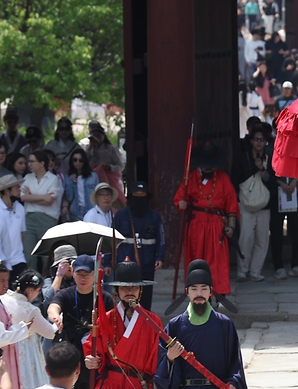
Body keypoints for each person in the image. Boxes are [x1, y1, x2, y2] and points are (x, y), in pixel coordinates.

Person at [46, 255, 114, 389]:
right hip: (72, 356)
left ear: (94, 275)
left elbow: (113, 325)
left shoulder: (104, 298)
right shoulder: (66, 293)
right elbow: (53, 307)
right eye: (79, 274)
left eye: (87, 274)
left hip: (95, 359)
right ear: (73, 273)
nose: (83, 278)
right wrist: (56, 317)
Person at [174, 142, 240, 296]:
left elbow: (231, 205)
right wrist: (181, 204)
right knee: (197, 261)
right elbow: (179, 199)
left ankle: (220, 295)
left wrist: (231, 226)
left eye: (211, 165)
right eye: (205, 166)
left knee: (218, 262)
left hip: (216, 226)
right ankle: (199, 295)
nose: (208, 168)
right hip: (196, 226)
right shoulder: (190, 178)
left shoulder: (223, 179)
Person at [113, 182, 166, 309]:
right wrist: (107, 262)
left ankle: (144, 321)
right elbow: (111, 239)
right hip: (125, 266)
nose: (139, 198)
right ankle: (127, 321)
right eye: (136, 195)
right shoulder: (120, 216)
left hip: (147, 264)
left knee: (145, 297)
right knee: (127, 296)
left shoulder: (154, 216)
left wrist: (160, 257)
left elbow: (161, 238)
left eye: (142, 195)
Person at [2, 270, 54, 389]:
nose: (38, 294)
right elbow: (50, 333)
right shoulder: (30, 309)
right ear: (31, 290)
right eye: (38, 290)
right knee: (29, 384)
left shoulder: (3, 299)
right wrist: (59, 320)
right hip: (26, 349)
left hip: (4, 344)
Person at [231, 128, 273, 282]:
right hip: (246, 203)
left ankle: (255, 270)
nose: (259, 142)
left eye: (261, 139)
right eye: (256, 139)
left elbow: (272, 181)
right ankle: (242, 270)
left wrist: (262, 169)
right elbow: (235, 180)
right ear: (250, 141)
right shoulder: (242, 159)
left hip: (264, 205)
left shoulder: (270, 159)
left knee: (262, 239)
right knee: (245, 238)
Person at [20, 151, 62, 270]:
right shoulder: (27, 178)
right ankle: (29, 283)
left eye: (32, 161)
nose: (29, 164)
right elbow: (23, 197)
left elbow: (50, 200)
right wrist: (43, 196)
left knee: (47, 256)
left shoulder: (53, 179)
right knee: (29, 255)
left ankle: (47, 284)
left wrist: (31, 196)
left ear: (41, 163)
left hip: (47, 219)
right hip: (29, 219)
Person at [0, 174, 27, 275]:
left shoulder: (20, 208)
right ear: (7, 190)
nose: (20, 190)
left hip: (19, 259)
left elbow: (21, 234)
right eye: (16, 187)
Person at [85, 121, 125, 207]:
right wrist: (90, 148)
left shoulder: (111, 148)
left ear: (103, 136)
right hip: (94, 180)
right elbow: (83, 162)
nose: (97, 138)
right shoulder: (89, 148)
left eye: (98, 136)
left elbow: (120, 166)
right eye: (94, 136)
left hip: (110, 181)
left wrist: (110, 167)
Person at [62, 148, 100, 222]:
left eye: (81, 160)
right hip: (76, 211)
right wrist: (72, 181)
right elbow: (69, 197)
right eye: (75, 160)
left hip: (91, 209)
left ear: (84, 161)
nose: (78, 162)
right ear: (71, 161)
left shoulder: (93, 176)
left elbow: (98, 194)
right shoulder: (68, 177)